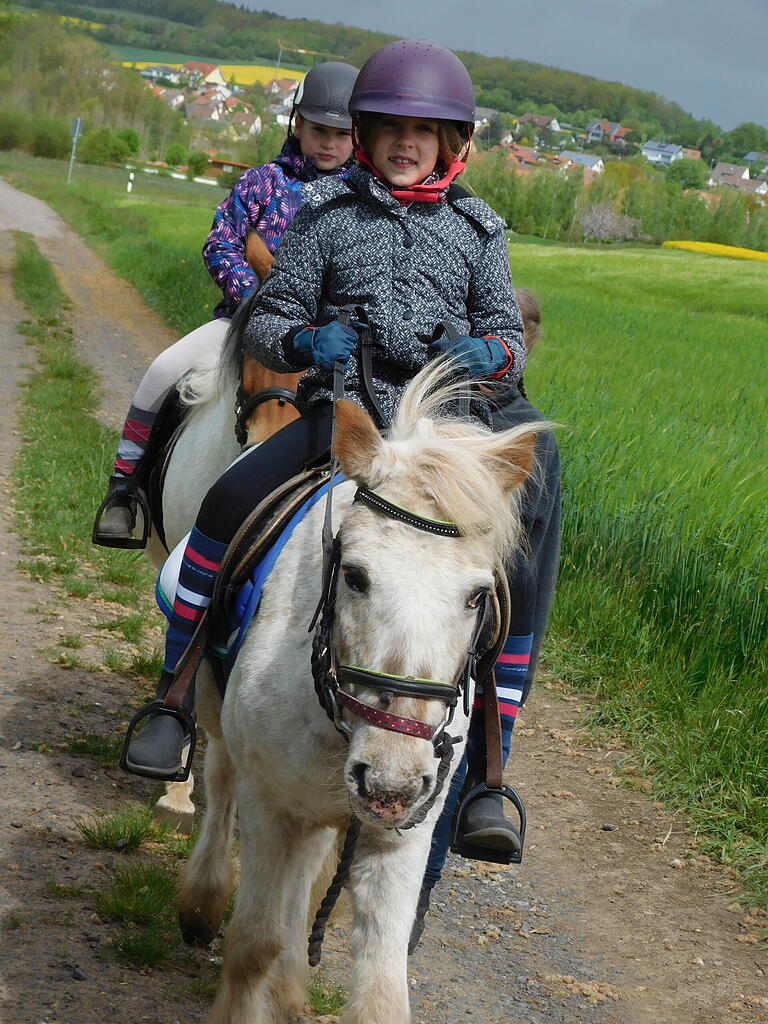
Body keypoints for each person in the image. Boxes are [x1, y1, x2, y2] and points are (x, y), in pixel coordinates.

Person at [122, 40, 530, 788]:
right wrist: (308, 337)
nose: (406, 146)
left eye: (424, 134)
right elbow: (269, 320)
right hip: (341, 422)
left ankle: (490, 765)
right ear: (368, 140)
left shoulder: (480, 232)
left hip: (440, 442)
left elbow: (509, 336)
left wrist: (489, 355)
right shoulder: (325, 214)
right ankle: (174, 695)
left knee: (516, 570)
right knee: (226, 503)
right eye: (390, 132)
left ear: (452, 145)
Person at [93, 61, 358, 546]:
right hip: (242, 320)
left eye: (341, 135)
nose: (329, 143)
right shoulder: (262, 182)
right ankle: (125, 489)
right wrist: (257, 302)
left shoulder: (358, 200)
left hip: (324, 341)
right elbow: (221, 244)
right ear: (297, 126)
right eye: (319, 130)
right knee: (162, 369)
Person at [408, 288, 561, 952]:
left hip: (502, 626)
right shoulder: (438, 413)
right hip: (438, 613)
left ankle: (418, 895)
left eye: (522, 328)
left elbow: (516, 557)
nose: (510, 338)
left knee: (463, 758)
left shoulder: (526, 435)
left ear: (529, 342)